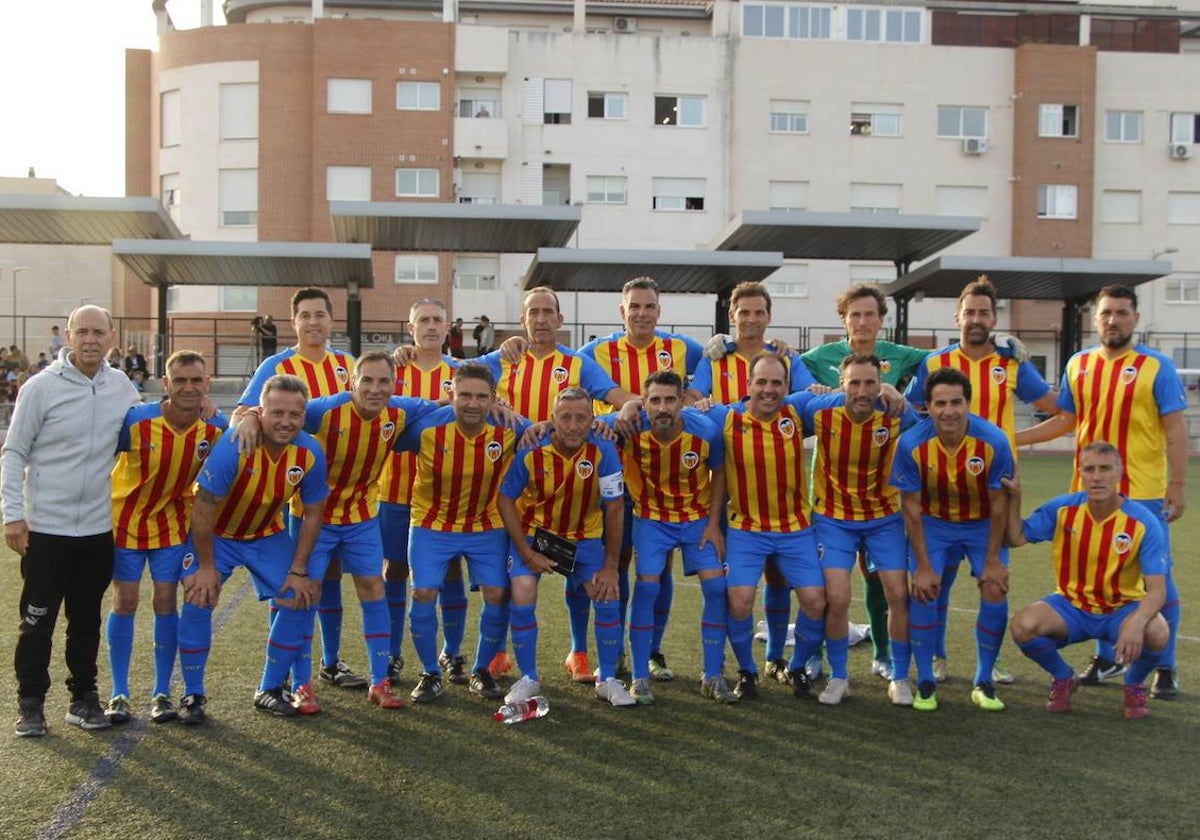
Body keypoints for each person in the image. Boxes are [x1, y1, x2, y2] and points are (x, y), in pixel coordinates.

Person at [1017, 285, 1188, 697]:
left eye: (1122, 313)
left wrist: (1177, 484)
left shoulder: (1156, 366)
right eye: (1107, 313)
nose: (1114, 320)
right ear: (1095, 320)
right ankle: (1106, 657)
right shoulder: (1079, 364)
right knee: (1097, 576)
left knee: (1157, 580)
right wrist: (1009, 439)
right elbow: (1066, 420)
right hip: (1088, 490)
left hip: (1143, 491)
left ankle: (1165, 666)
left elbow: (1175, 429)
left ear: (1135, 318)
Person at [905, 276, 1057, 686]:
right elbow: (909, 410)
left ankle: (987, 668)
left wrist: (1014, 438)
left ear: (994, 319)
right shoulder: (934, 362)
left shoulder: (1011, 362)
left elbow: (1061, 410)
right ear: (957, 316)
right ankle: (936, 656)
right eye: (969, 311)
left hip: (993, 498)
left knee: (993, 581)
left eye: (984, 312)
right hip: (940, 495)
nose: (976, 318)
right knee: (938, 581)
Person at [482, 286, 636, 682]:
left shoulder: (578, 363)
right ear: (522, 320)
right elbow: (458, 383)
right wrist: (498, 407)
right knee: (507, 582)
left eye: (548, 311)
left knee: (579, 571)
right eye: (533, 312)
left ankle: (579, 652)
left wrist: (619, 413)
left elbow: (619, 398)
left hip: (574, 485)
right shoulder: (504, 359)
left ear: (560, 319)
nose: (541, 319)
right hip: (513, 487)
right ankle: (500, 653)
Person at [4, 305, 140, 737]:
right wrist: (13, 517)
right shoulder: (39, 388)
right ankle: (31, 703)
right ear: (67, 336)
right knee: (37, 621)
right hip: (45, 530)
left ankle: (83, 697)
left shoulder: (122, 387)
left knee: (86, 621)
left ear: (112, 337)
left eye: (98, 332)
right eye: (82, 331)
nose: (90, 340)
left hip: (98, 531)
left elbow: (149, 431)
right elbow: (13, 452)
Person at [291, 350, 440, 713]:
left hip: (360, 516)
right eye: (367, 380)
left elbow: (440, 404)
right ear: (351, 382)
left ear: (394, 385)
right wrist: (248, 416)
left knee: (373, 587)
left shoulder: (400, 411)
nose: (375, 389)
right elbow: (283, 415)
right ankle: (301, 685)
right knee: (304, 594)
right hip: (313, 517)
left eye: (383, 381)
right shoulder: (323, 411)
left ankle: (379, 681)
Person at [574, 277, 706, 682]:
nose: (642, 313)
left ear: (659, 311)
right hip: (609, 477)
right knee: (602, 564)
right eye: (634, 306)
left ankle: (652, 651)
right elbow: (567, 376)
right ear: (622, 311)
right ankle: (586, 651)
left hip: (660, 483)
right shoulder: (596, 351)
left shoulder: (684, 349)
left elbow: (716, 362)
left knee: (657, 570)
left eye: (649, 306)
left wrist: (698, 392)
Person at [687, 282, 818, 686]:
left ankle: (778, 658)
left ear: (768, 316)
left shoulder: (784, 359)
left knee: (779, 578)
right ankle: (731, 667)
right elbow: (692, 397)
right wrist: (696, 401)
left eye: (758, 312)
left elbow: (813, 394)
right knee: (733, 590)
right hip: (728, 486)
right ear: (733, 316)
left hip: (783, 492)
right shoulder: (716, 356)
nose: (751, 319)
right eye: (744, 312)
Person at [176, 374, 328, 722]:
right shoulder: (236, 444)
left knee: (299, 595)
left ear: (304, 416)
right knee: (200, 596)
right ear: (260, 411)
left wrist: (298, 568)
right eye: (277, 413)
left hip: (265, 535)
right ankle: (192, 695)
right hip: (217, 535)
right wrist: (206, 567)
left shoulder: (309, 451)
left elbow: (313, 512)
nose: (286, 421)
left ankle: (270, 688)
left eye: (294, 414)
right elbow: (203, 509)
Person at [234, 288, 363, 691]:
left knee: (331, 578)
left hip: (341, 494)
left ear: (331, 320)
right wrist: (250, 421)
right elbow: (241, 411)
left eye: (319, 315)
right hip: (292, 498)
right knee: (293, 580)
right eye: (304, 315)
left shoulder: (346, 364)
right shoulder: (276, 364)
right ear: (293, 322)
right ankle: (288, 666)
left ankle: (331, 660)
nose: (313, 322)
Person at [800, 284, 930, 679]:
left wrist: (1002, 347)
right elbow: (784, 366)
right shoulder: (820, 357)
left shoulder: (902, 356)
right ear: (844, 320)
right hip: (832, 490)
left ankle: (883, 651)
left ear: (881, 319)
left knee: (878, 576)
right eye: (854, 315)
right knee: (826, 585)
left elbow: (942, 359)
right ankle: (817, 651)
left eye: (870, 314)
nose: (862, 322)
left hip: (881, 492)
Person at [105, 351, 227, 725]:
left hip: (172, 526)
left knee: (164, 601)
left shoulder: (214, 430)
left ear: (207, 384)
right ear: (165, 383)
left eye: (196, 380)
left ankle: (162, 692)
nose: (188, 387)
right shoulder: (137, 421)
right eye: (180, 380)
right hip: (125, 523)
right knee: (125, 601)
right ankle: (119, 693)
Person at [1005, 442, 1169, 718]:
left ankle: (1133, 684)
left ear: (1119, 472)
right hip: (1072, 606)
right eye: (1089, 469)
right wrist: (1016, 497)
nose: (1097, 476)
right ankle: (1064, 677)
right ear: (1080, 472)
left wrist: (1137, 622)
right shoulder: (1063, 509)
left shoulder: (1142, 522)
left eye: (1105, 468)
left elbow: (1157, 591)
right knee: (1023, 625)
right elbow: (1016, 537)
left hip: (1122, 609)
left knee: (1158, 632)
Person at [398, 363, 530, 705]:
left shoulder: (510, 428)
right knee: (424, 592)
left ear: (494, 400)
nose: (473, 403)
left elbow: (552, 431)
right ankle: (430, 672)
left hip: (485, 524)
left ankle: (481, 670)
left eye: (481, 397)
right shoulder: (424, 428)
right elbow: (383, 425)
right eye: (465, 395)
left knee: (497, 593)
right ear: (450, 395)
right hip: (431, 523)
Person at [605, 371, 736, 703]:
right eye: (655, 401)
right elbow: (578, 421)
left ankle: (712, 674)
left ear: (682, 401)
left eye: (670, 400)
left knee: (717, 587)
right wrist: (625, 408)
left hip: (696, 519)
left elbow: (719, 473)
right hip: (651, 519)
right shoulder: (631, 426)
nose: (662, 408)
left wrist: (713, 524)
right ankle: (639, 676)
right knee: (647, 587)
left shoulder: (706, 430)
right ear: (644, 403)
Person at [889, 367, 1014, 712]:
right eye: (940, 403)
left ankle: (984, 680)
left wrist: (991, 559)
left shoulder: (993, 441)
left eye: (956, 402)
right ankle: (926, 680)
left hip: (982, 524)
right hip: (934, 523)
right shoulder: (913, 444)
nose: (949, 411)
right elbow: (910, 508)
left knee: (993, 586)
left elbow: (1000, 503)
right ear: (927, 406)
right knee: (925, 591)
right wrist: (924, 567)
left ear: (968, 403)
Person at [498, 388, 632, 707]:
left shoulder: (604, 449)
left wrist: (611, 565)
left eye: (581, 418)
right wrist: (526, 552)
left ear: (592, 420)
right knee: (522, 593)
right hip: (535, 536)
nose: (573, 426)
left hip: (583, 539)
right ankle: (528, 677)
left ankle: (608, 678)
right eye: (565, 417)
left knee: (607, 593)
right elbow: (505, 499)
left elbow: (615, 506)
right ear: (552, 420)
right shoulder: (532, 447)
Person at [706, 354, 824, 700]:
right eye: (762, 382)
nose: (769, 390)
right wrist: (694, 400)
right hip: (746, 528)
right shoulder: (726, 417)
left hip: (796, 527)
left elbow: (844, 399)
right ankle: (747, 671)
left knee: (816, 601)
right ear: (749, 385)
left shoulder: (798, 411)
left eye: (776, 383)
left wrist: (889, 391)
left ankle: (797, 667)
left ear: (787, 387)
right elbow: (682, 416)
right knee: (740, 601)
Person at [378, 299, 468, 687]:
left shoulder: (463, 373)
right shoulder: (393, 372)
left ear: (447, 328)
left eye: (437, 320)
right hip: (395, 489)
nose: (430, 326)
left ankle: (451, 652)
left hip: (448, 496)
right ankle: (394, 653)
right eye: (423, 321)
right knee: (394, 570)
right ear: (410, 327)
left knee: (450, 570)